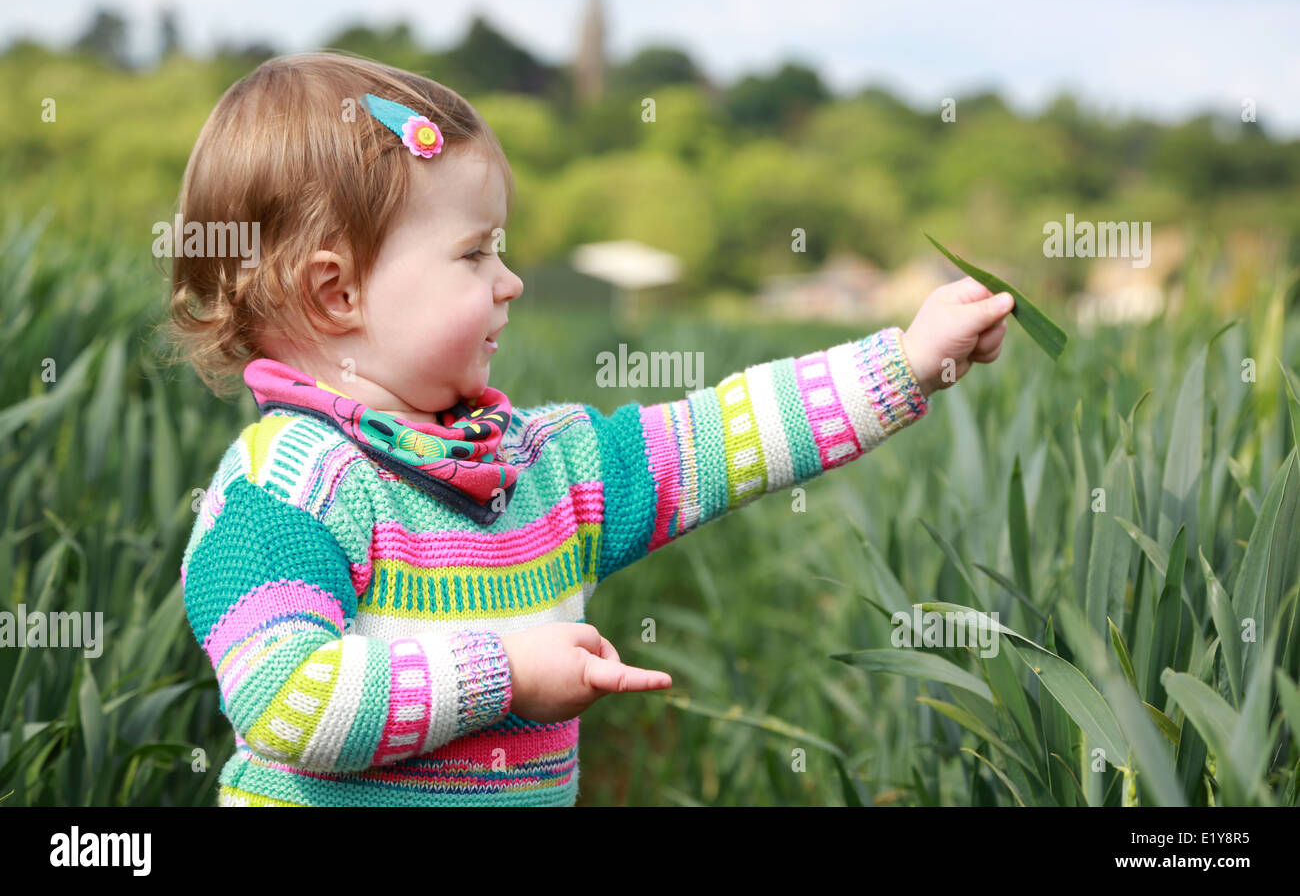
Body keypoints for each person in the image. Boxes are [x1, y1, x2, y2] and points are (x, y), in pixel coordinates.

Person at [164, 51, 1014, 806]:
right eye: (475, 254)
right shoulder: (287, 488)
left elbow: (720, 436)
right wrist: (509, 675)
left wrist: (905, 361)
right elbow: (285, 699)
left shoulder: (542, 466)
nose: (512, 282)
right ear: (336, 292)